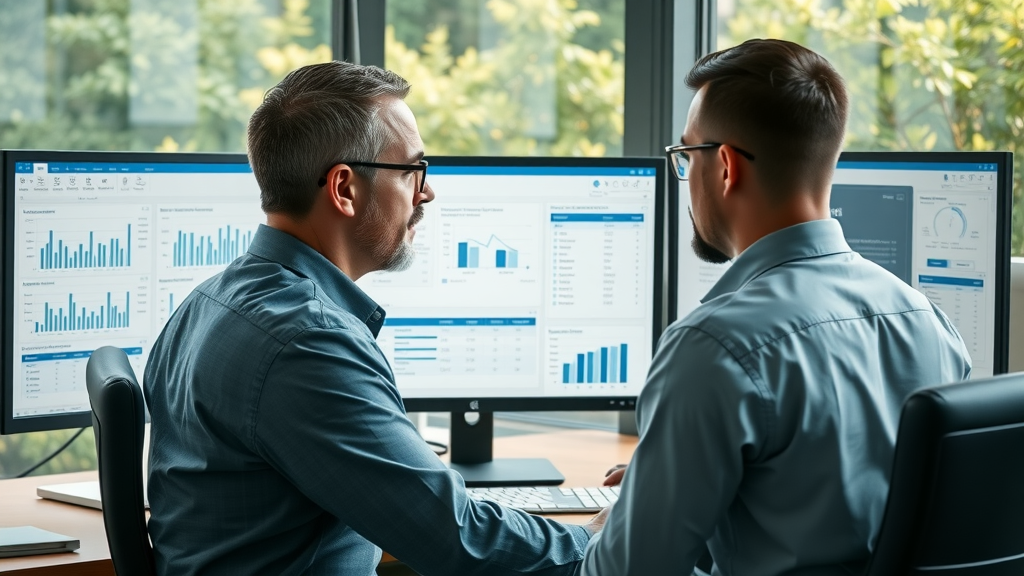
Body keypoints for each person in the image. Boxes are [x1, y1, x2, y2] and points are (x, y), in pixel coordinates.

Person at [143, 61, 604, 576]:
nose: (426, 192)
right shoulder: (308, 342)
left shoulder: (207, 302)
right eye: (413, 170)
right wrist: (598, 540)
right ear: (344, 188)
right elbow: (455, 539)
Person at [579, 39, 972, 576]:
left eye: (685, 155)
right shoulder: (929, 324)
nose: (684, 176)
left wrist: (631, 512)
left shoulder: (713, 348)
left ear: (723, 166)